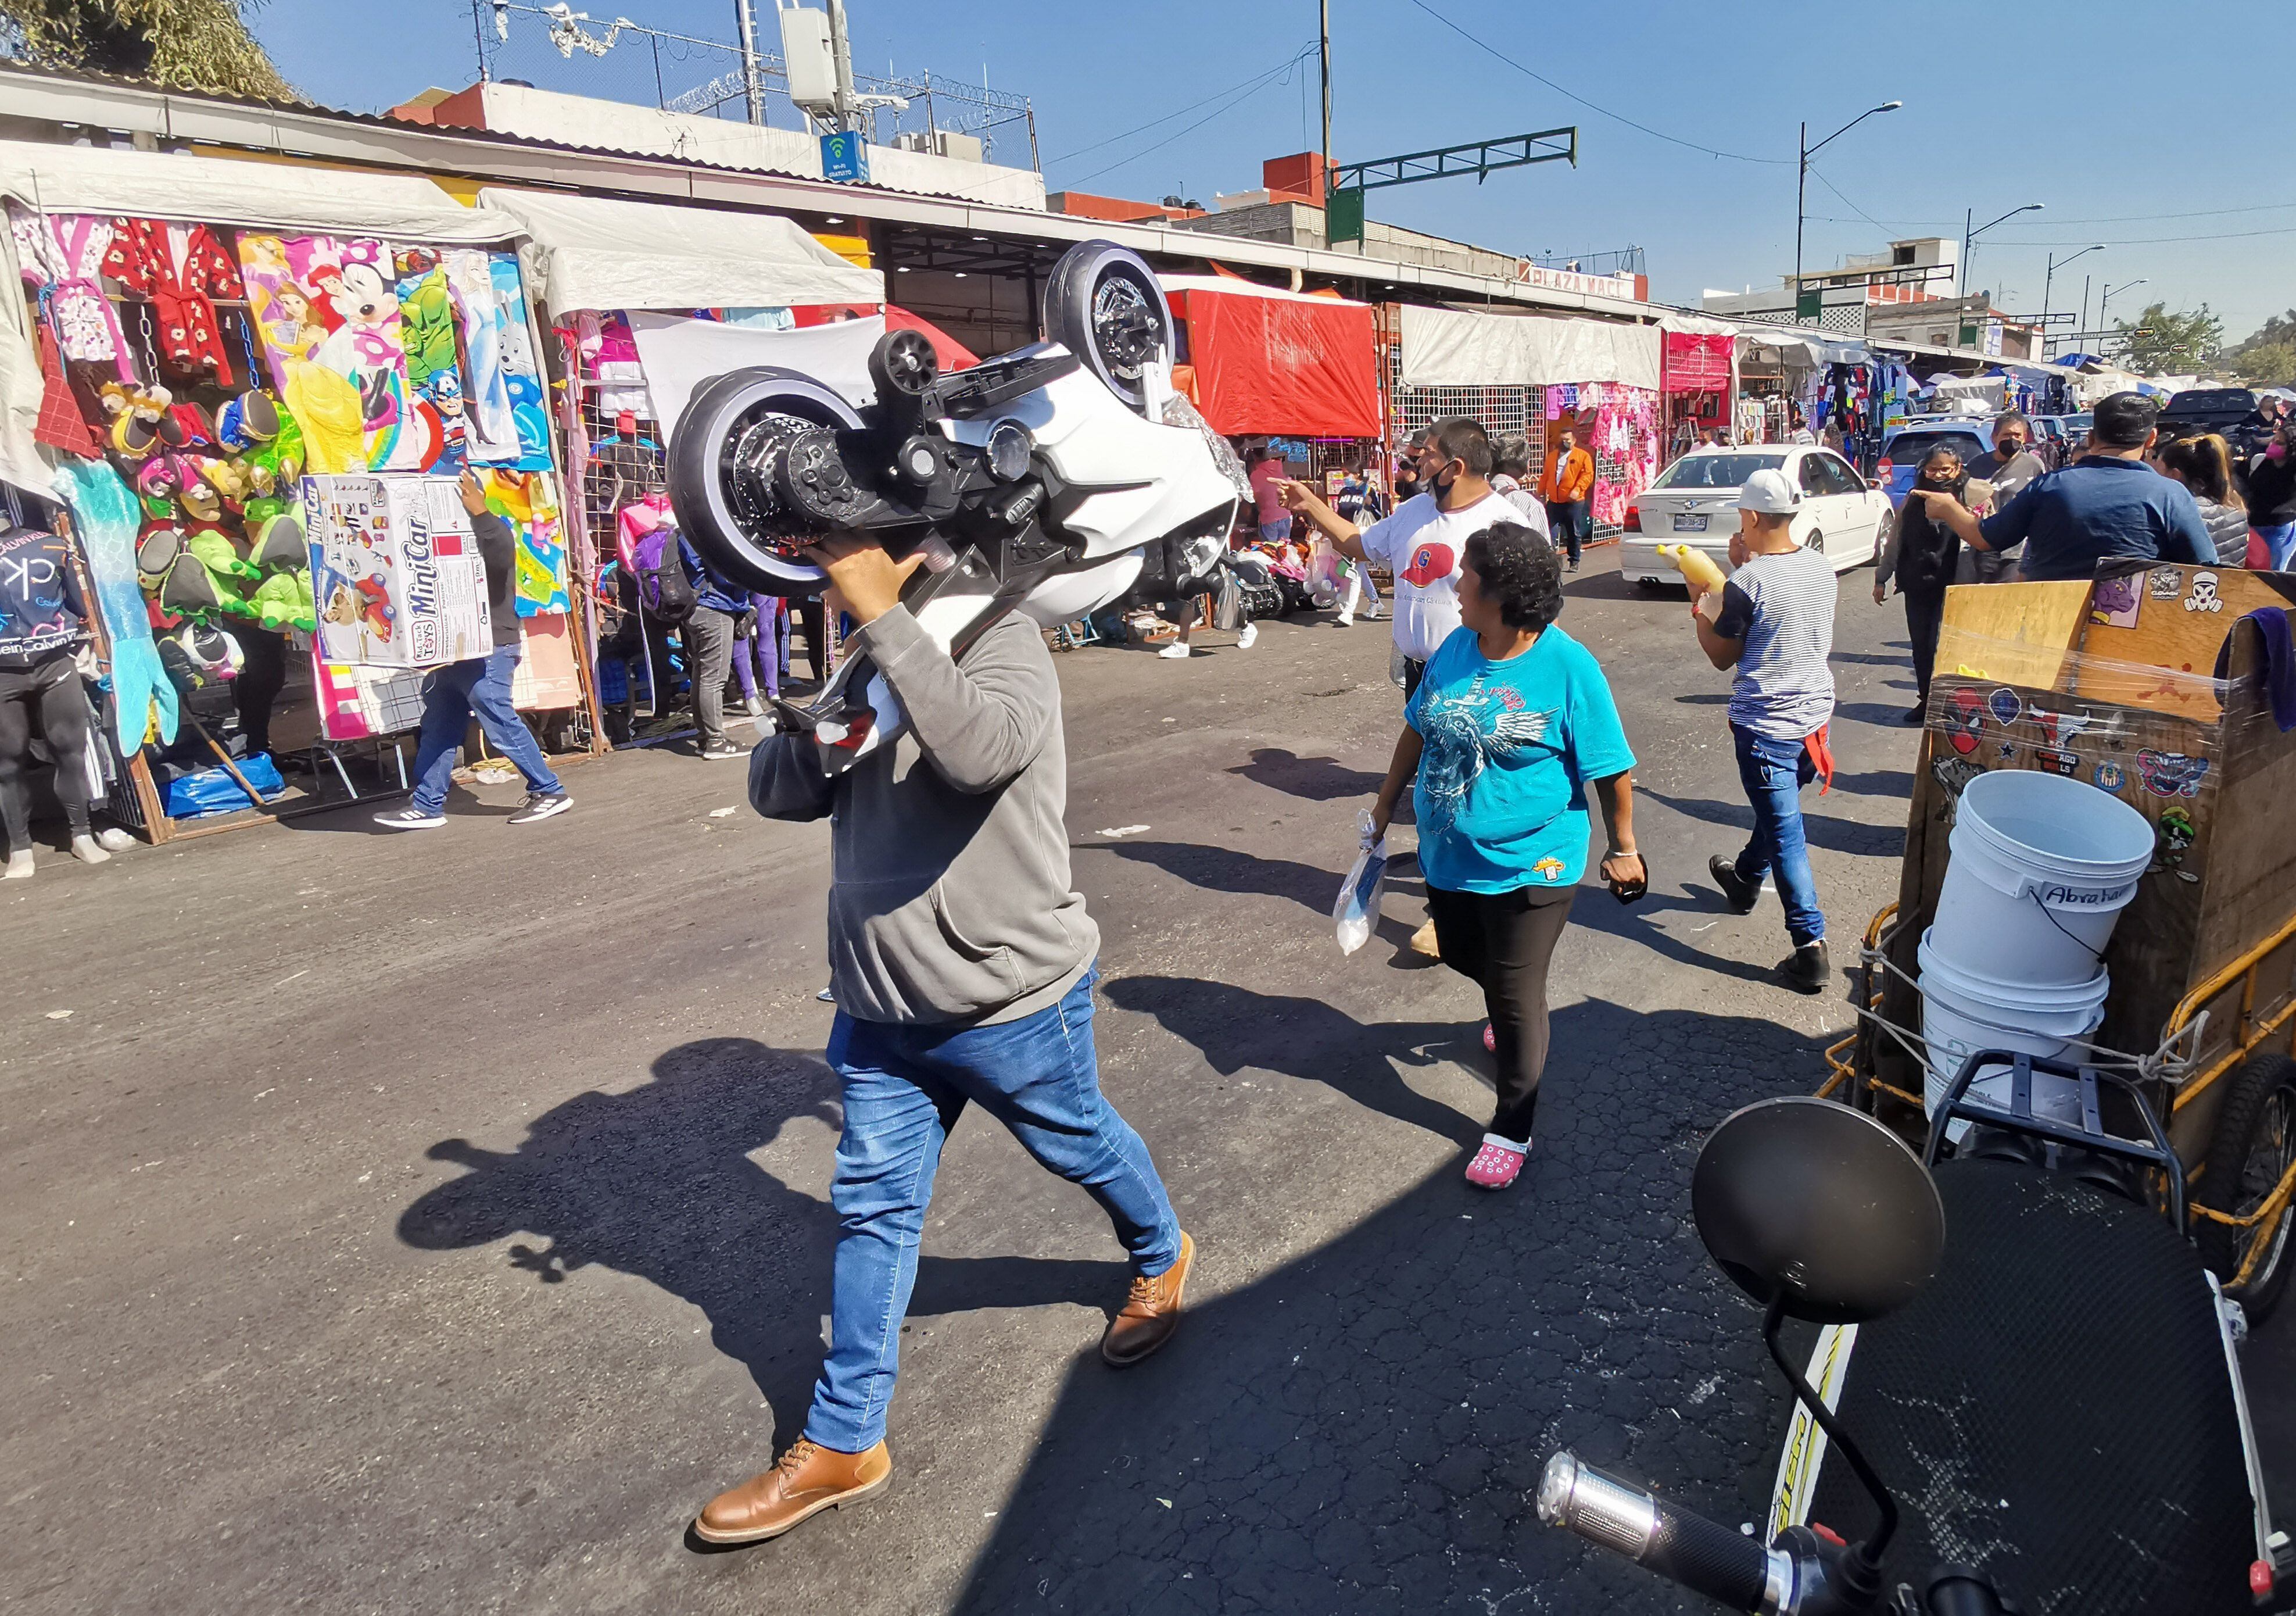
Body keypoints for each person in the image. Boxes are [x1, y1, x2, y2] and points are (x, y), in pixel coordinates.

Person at [697, 534, 1191, 1546]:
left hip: (1003, 995)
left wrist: (885, 619)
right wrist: (816, 718)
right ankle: (846, 1440)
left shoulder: (1002, 636)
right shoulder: (867, 649)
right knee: (873, 1209)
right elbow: (779, 792)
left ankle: (1162, 1250)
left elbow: (980, 755)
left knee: (1077, 1140)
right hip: (882, 1003)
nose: (842, 557)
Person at [1366, 521, 1642, 1190]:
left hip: (1535, 860)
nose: (1453, 583)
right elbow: (1417, 729)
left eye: (1466, 575)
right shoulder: (1457, 647)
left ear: (1501, 594)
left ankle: (1513, 1125)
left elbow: (1611, 768)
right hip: (1451, 855)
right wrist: (1384, 805)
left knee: (1518, 994)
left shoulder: (1569, 666)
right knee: (1465, 953)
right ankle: (1511, 1014)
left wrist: (1625, 847)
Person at [1283, 417, 1514, 959]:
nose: (1416, 463)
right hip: (1419, 675)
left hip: (1472, 677)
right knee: (1437, 789)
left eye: (1426, 456)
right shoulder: (1413, 512)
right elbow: (1360, 545)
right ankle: (1455, 901)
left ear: (1454, 467)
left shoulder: (1502, 524)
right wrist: (1311, 504)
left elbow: (1526, 609)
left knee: (1460, 791)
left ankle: (1454, 911)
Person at [1688, 468, 1835, 993]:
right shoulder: (1821, 569)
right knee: (1778, 814)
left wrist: (1701, 608)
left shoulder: (1747, 584)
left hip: (1766, 723)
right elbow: (1784, 607)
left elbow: (1721, 657)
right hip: (1813, 717)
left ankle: (1809, 945)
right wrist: (1736, 573)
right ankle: (1747, 880)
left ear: (1750, 517)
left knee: (1786, 832)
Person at [374, 472, 571, 830]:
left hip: (491, 646)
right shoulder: (435, 539)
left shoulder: (491, 530)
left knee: (497, 718)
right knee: (439, 724)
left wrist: (479, 512)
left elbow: (499, 553)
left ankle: (549, 790)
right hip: (455, 649)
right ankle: (427, 803)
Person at [1911, 392, 2213, 581]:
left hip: (2048, 635)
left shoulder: (2050, 486)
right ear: (2151, 440)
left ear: (2092, 438)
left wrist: (1949, 508)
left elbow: (1985, 538)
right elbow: (2205, 570)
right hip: (2130, 642)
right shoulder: (2171, 495)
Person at [1873, 444, 1974, 722]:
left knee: (1944, 646)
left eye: (1946, 469)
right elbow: (1896, 539)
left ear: (1958, 468)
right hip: (1917, 583)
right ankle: (1927, 700)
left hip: (1954, 586)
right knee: (1921, 647)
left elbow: (1984, 536)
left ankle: (1950, 706)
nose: (1939, 475)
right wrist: (1882, 577)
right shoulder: (1913, 499)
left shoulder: (1970, 494)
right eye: (1933, 469)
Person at [679, 533, 754, 760]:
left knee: (701, 674)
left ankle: (705, 737)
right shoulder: (703, 534)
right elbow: (726, 577)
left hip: (695, 607)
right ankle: (715, 741)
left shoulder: (681, 533)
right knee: (714, 678)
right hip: (716, 607)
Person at [1958, 412, 2048, 582]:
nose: (2012, 439)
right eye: (2007, 434)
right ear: (1994, 437)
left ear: (2025, 438)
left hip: (2015, 551)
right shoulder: (1976, 465)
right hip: (1979, 546)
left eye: (2017, 435)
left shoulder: (2034, 466)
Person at [2157, 434, 2249, 564]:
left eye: (2159, 470)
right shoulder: (2235, 506)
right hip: (2229, 582)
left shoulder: (2181, 514)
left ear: (2175, 475)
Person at [1536, 424, 1595, 572]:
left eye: (1568, 440)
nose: (1564, 443)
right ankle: (1550, 561)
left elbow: (1588, 475)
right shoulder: (1552, 456)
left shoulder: (1582, 456)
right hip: (1554, 501)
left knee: (1573, 532)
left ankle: (1574, 561)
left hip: (1573, 502)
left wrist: (1577, 489)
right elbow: (1546, 476)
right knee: (1550, 531)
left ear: (1574, 441)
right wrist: (1541, 492)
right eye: (1562, 439)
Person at [2245, 415, 2296, 570]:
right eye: (2274, 440)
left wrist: (2280, 510)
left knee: (2273, 573)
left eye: (2279, 443)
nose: (2273, 445)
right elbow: (2240, 482)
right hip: (2254, 525)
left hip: (2279, 527)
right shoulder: (2260, 461)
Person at [1247, 443, 1292, 545]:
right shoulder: (1280, 468)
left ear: (1255, 457)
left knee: (1270, 551)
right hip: (1286, 515)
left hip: (1269, 517)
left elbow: (1255, 496)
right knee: (1284, 549)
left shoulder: (1256, 474)